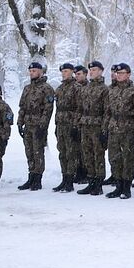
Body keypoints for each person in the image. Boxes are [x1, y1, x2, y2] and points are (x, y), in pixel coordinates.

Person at [17, 61, 55, 191]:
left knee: (38, 152)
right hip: (28, 124)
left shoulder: (46, 88)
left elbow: (48, 109)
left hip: (38, 125)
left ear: (40, 72)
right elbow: (22, 107)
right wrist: (19, 122)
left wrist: (42, 126)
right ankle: (31, 176)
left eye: (34, 71)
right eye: (30, 71)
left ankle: (38, 178)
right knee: (29, 152)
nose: (32, 73)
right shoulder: (27, 88)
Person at [105, 63, 134, 199]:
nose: (119, 76)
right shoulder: (111, 90)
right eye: (117, 73)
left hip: (128, 128)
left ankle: (126, 186)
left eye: (122, 73)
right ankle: (118, 185)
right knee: (114, 157)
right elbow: (107, 111)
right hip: (113, 127)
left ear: (128, 74)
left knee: (128, 158)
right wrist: (105, 128)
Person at [77, 61, 109, 196]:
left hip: (97, 125)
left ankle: (98, 182)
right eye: (90, 70)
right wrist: (78, 125)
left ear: (101, 71)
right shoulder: (85, 88)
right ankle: (91, 180)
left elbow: (107, 111)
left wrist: (104, 130)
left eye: (95, 70)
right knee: (87, 154)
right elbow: (80, 108)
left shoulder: (104, 89)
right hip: (86, 125)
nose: (92, 72)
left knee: (98, 154)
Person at [52, 63, 81, 192]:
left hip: (71, 124)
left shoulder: (77, 88)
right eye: (62, 71)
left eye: (66, 71)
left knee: (71, 153)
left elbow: (79, 108)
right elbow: (57, 109)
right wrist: (56, 124)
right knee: (62, 152)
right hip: (61, 124)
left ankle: (70, 180)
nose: (64, 73)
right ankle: (64, 178)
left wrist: (76, 125)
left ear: (72, 72)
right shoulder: (59, 89)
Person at [72, 65, 89, 184]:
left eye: (79, 74)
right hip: (75, 120)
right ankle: (78, 171)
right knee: (76, 149)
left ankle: (86, 173)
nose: (76, 76)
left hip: (87, 121)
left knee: (85, 150)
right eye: (75, 74)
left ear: (85, 74)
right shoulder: (73, 87)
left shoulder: (88, 88)